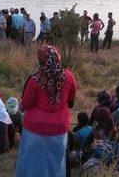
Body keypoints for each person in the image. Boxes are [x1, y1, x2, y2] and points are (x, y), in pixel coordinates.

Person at [15, 45, 76, 177]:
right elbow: (71, 101)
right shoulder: (68, 76)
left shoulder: (34, 80)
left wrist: (19, 106)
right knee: (55, 160)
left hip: (35, 128)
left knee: (33, 161)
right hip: (59, 127)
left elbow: (25, 104)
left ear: (40, 60)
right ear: (57, 58)